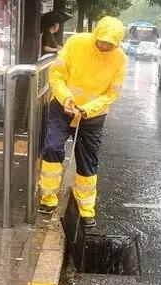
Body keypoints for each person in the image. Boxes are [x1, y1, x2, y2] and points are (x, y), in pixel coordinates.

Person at [38, 16, 127, 228]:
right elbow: (57, 74)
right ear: (96, 35)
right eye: (102, 40)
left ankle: (86, 206)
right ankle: (48, 198)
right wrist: (65, 97)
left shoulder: (120, 59)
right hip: (63, 108)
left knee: (88, 160)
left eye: (110, 44)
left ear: (118, 43)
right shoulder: (76, 43)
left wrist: (88, 110)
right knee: (52, 148)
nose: (105, 45)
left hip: (92, 116)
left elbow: (112, 93)